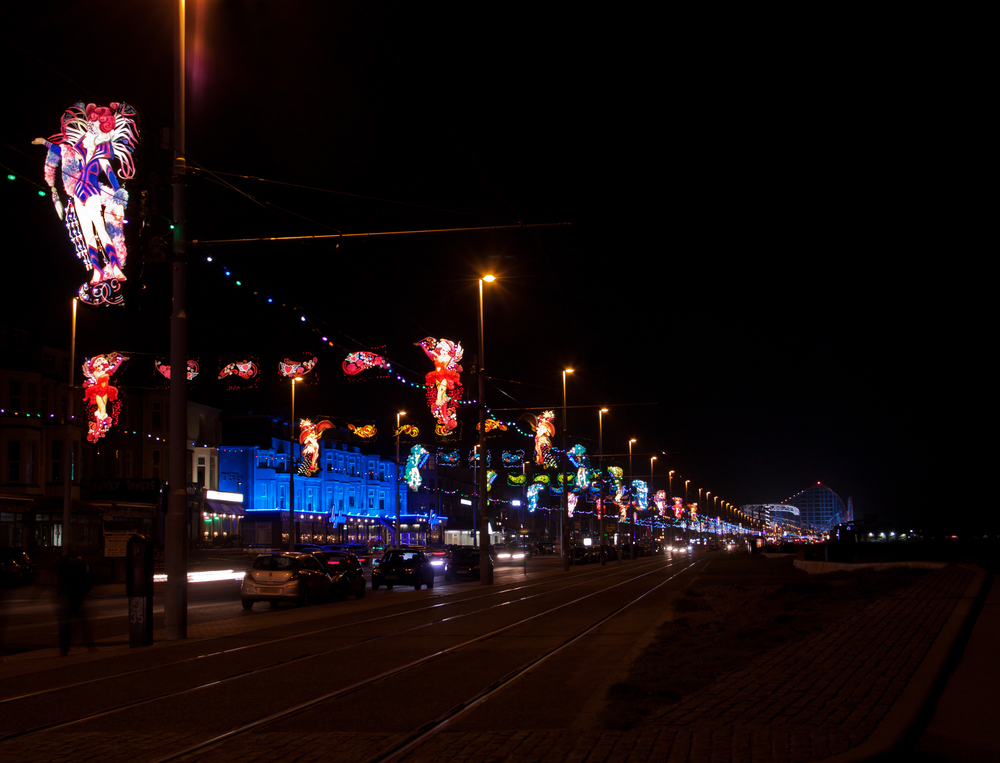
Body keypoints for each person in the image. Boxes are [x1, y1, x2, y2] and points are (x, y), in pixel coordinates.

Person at [33, 102, 137, 305]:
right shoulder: (79, 151)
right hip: (77, 195)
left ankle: (115, 267)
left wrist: (119, 203)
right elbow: (59, 149)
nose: (88, 133)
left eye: (93, 129)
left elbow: (114, 181)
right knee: (87, 234)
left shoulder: (103, 156)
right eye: (89, 128)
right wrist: (44, 142)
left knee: (100, 229)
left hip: (92, 193)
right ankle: (97, 271)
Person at [57, 556, 93, 656]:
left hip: (66, 597)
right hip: (77, 597)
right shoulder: (80, 564)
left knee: (66, 626)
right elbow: (86, 579)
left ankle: (64, 649)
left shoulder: (62, 564)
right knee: (83, 623)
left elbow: (59, 580)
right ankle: (89, 645)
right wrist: (87, 591)